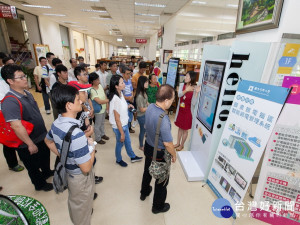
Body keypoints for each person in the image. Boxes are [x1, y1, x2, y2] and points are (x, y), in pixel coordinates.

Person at [45, 85, 95, 225]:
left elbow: (48, 141)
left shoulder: (56, 123)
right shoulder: (77, 133)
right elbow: (86, 168)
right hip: (80, 178)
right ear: (69, 105)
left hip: (70, 172)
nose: (81, 101)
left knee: (75, 203)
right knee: (82, 211)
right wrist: (91, 146)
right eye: (78, 99)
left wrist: (64, 156)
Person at [1, 64, 53, 191]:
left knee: (44, 157)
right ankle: (39, 184)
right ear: (10, 81)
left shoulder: (27, 93)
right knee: (33, 165)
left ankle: (46, 172)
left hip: (40, 135)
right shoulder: (10, 101)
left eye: (24, 76)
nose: (25, 79)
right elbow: (16, 126)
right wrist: (29, 144)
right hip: (27, 142)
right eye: (21, 77)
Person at [140, 84, 176, 214]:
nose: (172, 102)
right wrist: (174, 154)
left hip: (148, 147)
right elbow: (168, 143)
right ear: (166, 101)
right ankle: (157, 206)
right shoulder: (164, 119)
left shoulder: (149, 107)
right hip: (159, 152)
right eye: (172, 100)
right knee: (162, 180)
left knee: (147, 171)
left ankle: (144, 192)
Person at [108, 75, 143, 167]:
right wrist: (122, 133)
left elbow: (122, 106)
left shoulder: (120, 93)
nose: (124, 84)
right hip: (119, 126)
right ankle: (118, 159)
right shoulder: (115, 99)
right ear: (116, 86)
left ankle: (132, 156)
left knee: (127, 142)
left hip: (124, 124)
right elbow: (117, 119)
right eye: (122, 82)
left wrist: (128, 106)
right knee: (120, 144)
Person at [174, 71, 201, 151]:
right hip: (181, 111)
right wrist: (186, 90)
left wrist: (196, 93)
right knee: (180, 128)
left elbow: (193, 103)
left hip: (188, 112)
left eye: (187, 76)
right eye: (185, 76)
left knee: (185, 130)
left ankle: (182, 145)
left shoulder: (195, 88)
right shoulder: (182, 85)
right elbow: (179, 95)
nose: (185, 78)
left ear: (191, 78)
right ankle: (178, 143)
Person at [89, 72, 109, 144]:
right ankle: (98, 138)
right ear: (92, 81)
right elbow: (99, 101)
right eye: (96, 80)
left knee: (102, 123)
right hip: (98, 109)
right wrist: (108, 100)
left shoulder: (100, 86)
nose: (98, 81)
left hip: (103, 108)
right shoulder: (91, 90)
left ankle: (102, 134)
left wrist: (107, 104)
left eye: (98, 79)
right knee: (97, 124)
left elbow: (104, 95)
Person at [135, 76, 149, 150]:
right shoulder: (139, 96)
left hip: (145, 115)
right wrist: (149, 108)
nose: (148, 83)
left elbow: (146, 102)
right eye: (146, 82)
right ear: (142, 83)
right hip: (141, 116)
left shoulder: (144, 92)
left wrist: (150, 105)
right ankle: (141, 146)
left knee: (146, 130)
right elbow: (141, 109)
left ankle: (146, 143)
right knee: (142, 131)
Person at [122, 67, 135, 133]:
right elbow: (120, 95)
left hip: (130, 100)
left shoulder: (129, 81)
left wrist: (132, 97)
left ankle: (129, 127)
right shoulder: (121, 82)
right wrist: (128, 98)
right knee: (126, 115)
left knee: (131, 114)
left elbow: (132, 90)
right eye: (127, 74)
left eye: (130, 74)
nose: (129, 75)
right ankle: (126, 128)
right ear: (123, 74)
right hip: (125, 101)